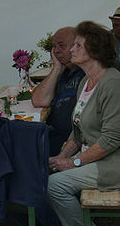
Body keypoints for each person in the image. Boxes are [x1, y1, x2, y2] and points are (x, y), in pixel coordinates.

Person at [45, 21, 120, 226]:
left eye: (77, 45)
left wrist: (73, 162)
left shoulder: (114, 84)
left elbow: (112, 139)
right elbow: (78, 130)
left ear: (93, 51)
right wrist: (61, 157)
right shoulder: (86, 82)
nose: (72, 50)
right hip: (105, 156)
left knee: (55, 186)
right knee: (48, 172)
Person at [32, 27, 86, 155]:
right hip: (51, 135)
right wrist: (56, 68)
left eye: (61, 46)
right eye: (54, 47)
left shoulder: (88, 72)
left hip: (71, 141)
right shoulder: (63, 72)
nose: (56, 51)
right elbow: (39, 100)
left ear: (77, 46)